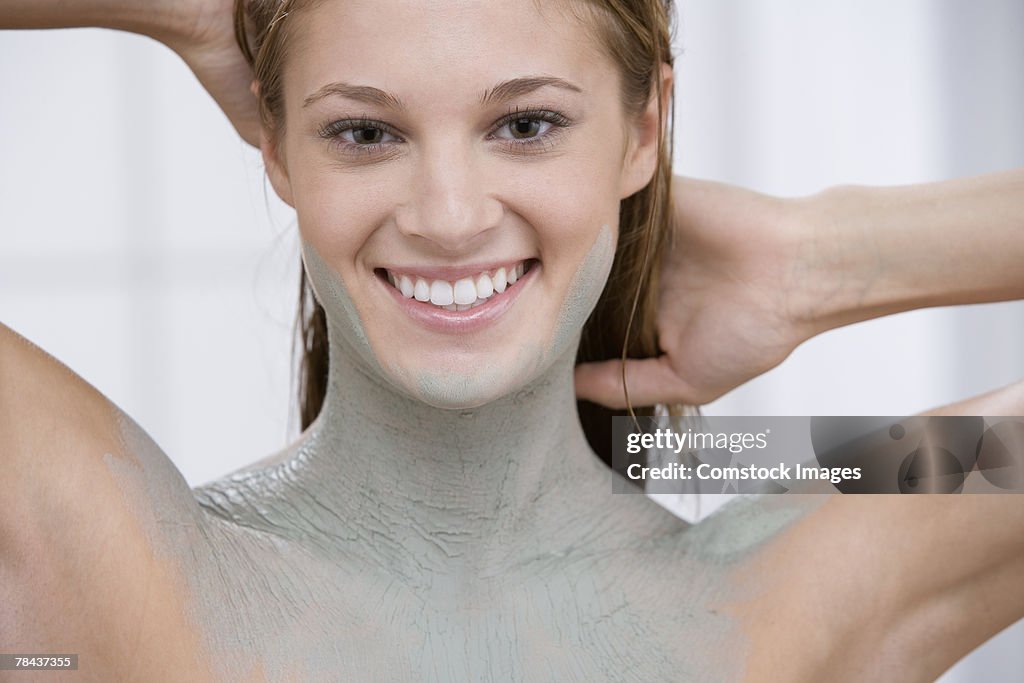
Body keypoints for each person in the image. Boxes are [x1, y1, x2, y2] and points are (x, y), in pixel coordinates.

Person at [1, 2, 1022, 682]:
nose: (448, 215)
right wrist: (194, 7)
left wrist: (827, 253)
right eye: (365, 131)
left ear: (642, 128)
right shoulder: (116, 556)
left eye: (525, 124)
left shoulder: (785, 579)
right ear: (272, 142)